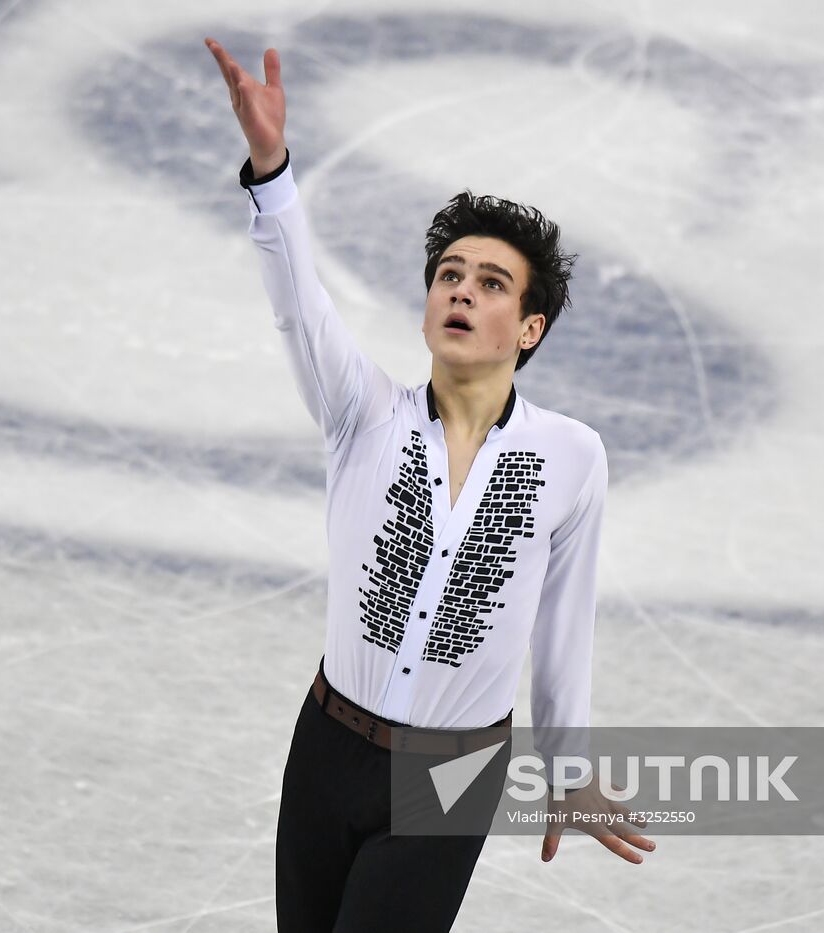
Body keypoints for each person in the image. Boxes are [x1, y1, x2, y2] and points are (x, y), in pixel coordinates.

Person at [204, 37, 655, 932]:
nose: (460, 290)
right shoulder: (361, 412)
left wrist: (567, 767)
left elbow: (564, 622)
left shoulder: (571, 457)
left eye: (490, 283)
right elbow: (301, 303)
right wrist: (272, 170)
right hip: (329, 748)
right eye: (449, 274)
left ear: (528, 328)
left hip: (453, 776)